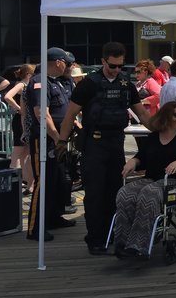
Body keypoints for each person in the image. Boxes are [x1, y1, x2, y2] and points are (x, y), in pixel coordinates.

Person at [57, 42, 151, 255]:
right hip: (94, 145)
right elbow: (70, 114)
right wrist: (62, 141)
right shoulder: (89, 84)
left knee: (114, 193)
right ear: (103, 61)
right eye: (112, 66)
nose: (117, 70)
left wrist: (160, 129)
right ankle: (95, 239)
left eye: (120, 66)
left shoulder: (126, 85)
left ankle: (111, 235)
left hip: (115, 144)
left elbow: (143, 114)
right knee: (95, 194)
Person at [114, 101, 176, 258]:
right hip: (153, 178)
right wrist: (134, 161)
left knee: (149, 193)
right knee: (125, 193)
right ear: (166, 116)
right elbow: (142, 157)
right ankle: (122, 242)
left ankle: (138, 245)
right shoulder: (153, 138)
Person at [26, 48, 76, 242]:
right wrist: (57, 137)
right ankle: (34, 228)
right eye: (66, 62)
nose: (68, 66)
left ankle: (53, 217)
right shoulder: (40, 81)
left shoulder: (57, 82)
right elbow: (42, 114)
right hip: (45, 140)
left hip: (58, 140)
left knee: (56, 180)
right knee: (43, 182)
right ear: (57, 62)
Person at [4, 64, 35, 193]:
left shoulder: (26, 85)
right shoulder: (22, 85)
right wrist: (19, 109)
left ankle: (29, 184)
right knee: (17, 153)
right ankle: (10, 184)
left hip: (26, 122)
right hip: (20, 122)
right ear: (28, 74)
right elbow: (7, 96)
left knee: (25, 155)